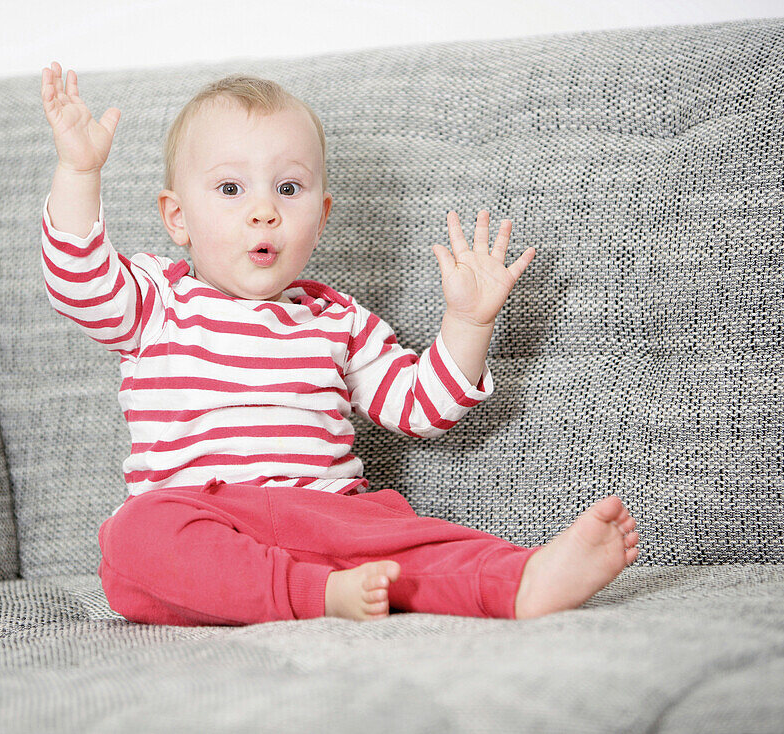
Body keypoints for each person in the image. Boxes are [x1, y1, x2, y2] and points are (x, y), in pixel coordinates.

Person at [39, 61, 640, 625]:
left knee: (412, 542)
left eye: (289, 189)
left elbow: (421, 407)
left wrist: (468, 322)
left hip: (330, 519)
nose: (264, 213)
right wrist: (80, 172)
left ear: (321, 217)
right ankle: (312, 596)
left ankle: (521, 580)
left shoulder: (337, 320)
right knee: (134, 539)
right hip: (207, 520)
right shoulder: (155, 301)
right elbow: (79, 283)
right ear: (177, 219)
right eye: (230, 190)